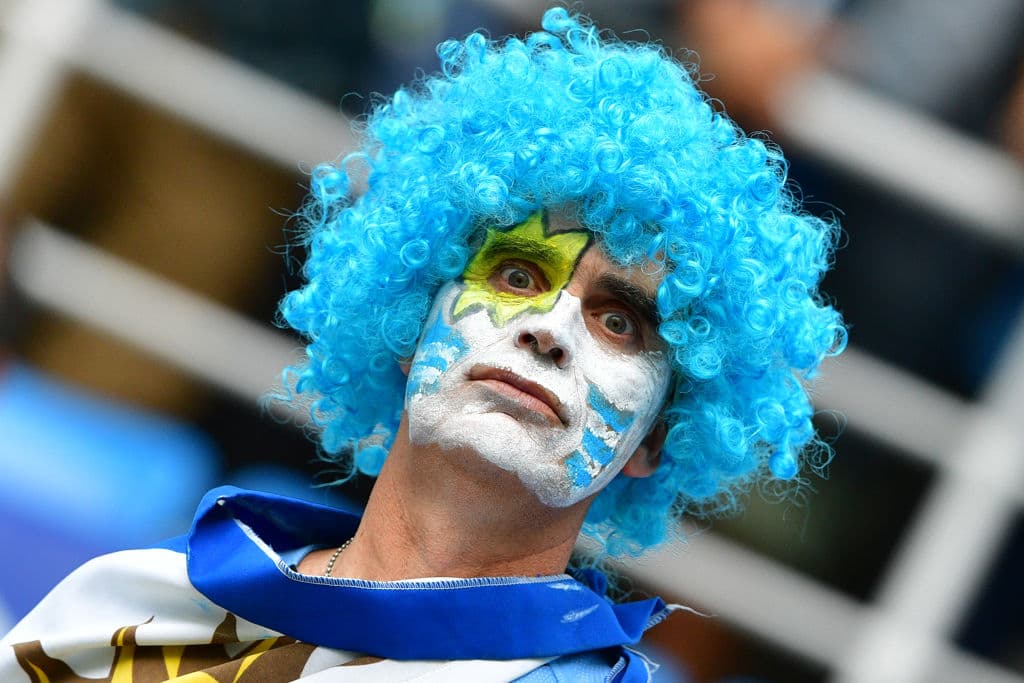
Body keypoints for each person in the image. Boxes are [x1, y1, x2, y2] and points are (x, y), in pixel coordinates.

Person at [0, 8, 844, 681]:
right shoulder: (129, 609)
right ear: (411, 321)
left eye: (618, 320)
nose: (547, 330)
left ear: (657, 439)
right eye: (516, 274)